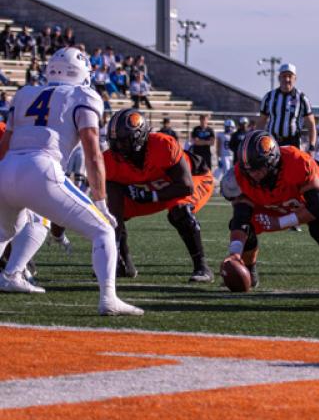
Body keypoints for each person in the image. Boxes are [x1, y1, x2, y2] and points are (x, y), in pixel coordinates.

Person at [0, 47, 143, 315]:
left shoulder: (25, 93)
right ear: (82, 72)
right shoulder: (84, 95)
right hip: (41, 167)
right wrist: (100, 202)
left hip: (7, 168)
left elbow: (4, 145)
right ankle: (109, 299)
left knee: (4, 232)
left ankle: (12, 275)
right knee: (104, 230)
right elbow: (92, 152)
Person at [220, 130, 319, 288]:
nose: (253, 174)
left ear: (272, 160)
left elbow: (317, 206)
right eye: (249, 170)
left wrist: (279, 222)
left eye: (258, 168)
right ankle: (249, 269)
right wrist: (234, 253)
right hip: (278, 202)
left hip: (315, 195)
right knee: (245, 224)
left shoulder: (295, 161)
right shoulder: (239, 175)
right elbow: (240, 217)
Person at [104, 108, 215, 282]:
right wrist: (112, 254)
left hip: (193, 180)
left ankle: (202, 267)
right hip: (152, 187)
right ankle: (124, 264)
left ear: (139, 137)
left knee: (179, 211)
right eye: (114, 142)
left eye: (123, 142)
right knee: (109, 216)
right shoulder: (110, 159)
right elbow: (115, 211)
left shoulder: (163, 145)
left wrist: (150, 196)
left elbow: (186, 187)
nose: (118, 148)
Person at [257, 63, 316, 152]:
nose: (287, 79)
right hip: (272, 142)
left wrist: (311, 146)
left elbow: (311, 124)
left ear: (295, 78)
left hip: (293, 142)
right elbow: (261, 121)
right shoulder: (269, 97)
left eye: (290, 76)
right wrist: (257, 141)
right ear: (279, 78)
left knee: (293, 166)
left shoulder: (302, 98)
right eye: (284, 76)